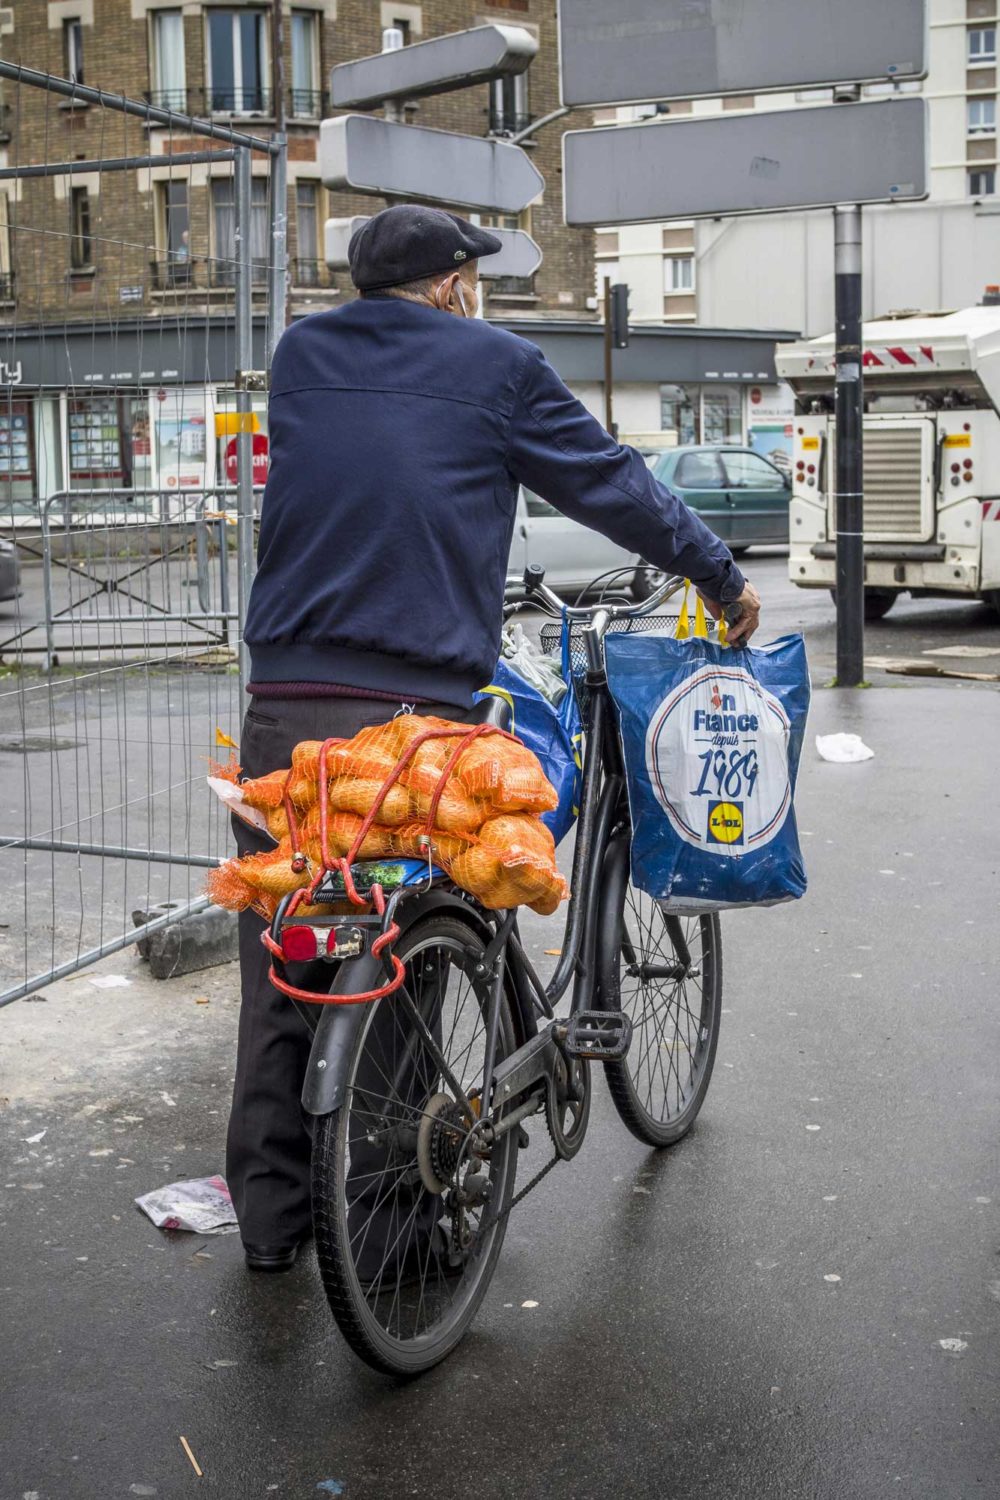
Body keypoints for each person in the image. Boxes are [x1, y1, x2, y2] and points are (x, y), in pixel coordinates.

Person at [228, 204, 761, 1272]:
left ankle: (273, 1226)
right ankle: (394, 1232)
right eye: (471, 275)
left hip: (286, 699)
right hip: (415, 714)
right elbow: (609, 482)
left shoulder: (299, 355)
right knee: (402, 962)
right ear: (447, 284)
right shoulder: (496, 363)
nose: (476, 290)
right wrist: (716, 571)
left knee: (286, 954)